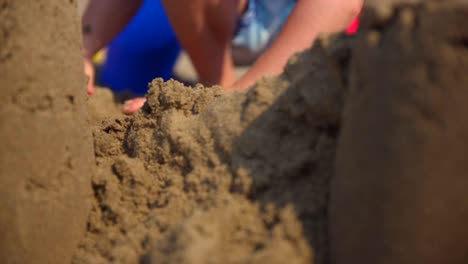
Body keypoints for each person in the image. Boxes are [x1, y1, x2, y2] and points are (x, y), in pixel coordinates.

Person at [83, 0, 363, 114]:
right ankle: (216, 82)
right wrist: (82, 49)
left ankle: (220, 98)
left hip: (322, 22)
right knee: (122, 78)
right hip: (224, 16)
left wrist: (224, 106)